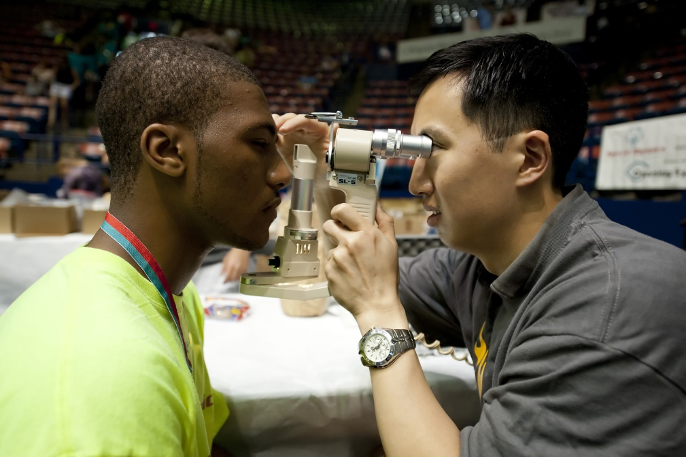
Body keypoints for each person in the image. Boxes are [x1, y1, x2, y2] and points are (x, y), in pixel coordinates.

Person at [283, 33, 686, 455]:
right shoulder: (482, 266)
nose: (417, 182)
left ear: (530, 158)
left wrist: (379, 314)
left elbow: (375, 297)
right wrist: (330, 164)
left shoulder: (608, 307)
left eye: (432, 149)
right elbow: (353, 272)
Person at [0, 36, 327, 456]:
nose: (283, 174)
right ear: (168, 150)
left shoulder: (173, 292)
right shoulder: (109, 377)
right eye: (260, 145)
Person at [47, 55, 80, 131]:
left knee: (64, 106)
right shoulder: (56, 68)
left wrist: (72, 87)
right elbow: (52, 77)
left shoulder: (71, 69)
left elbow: (77, 81)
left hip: (66, 87)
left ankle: (65, 123)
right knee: (52, 104)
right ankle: (51, 122)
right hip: (57, 86)